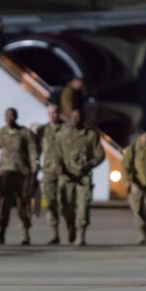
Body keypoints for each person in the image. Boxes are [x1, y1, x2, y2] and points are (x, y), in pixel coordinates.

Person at [57, 105, 105, 246]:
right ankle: (70, 226)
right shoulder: (62, 135)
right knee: (66, 207)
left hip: (83, 177)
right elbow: (57, 154)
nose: (75, 119)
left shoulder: (90, 136)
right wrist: (58, 165)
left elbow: (100, 154)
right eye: (73, 117)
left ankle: (81, 234)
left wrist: (90, 164)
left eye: (78, 117)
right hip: (67, 177)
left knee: (83, 206)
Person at [0, 107, 38, 245]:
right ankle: (1, 231)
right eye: (7, 116)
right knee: (4, 203)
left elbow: (32, 151)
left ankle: (25, 233)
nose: (9, 118)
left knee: (22, 203)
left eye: (12, 116)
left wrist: (34, 168)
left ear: (16, 117)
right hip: (5, 172)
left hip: (22, 173)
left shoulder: (24, 133)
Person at [35, 101, 66, 244]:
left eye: (55, 113)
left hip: (65, 171)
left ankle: (71, 225)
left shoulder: (67, 129)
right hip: (48, 170)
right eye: (49, 113)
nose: (52, 115)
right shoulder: (42, 131)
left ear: (59, 114)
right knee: (49, 202)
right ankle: (55, 234)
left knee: (66, 203)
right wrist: (35, 164)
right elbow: (36, 150)